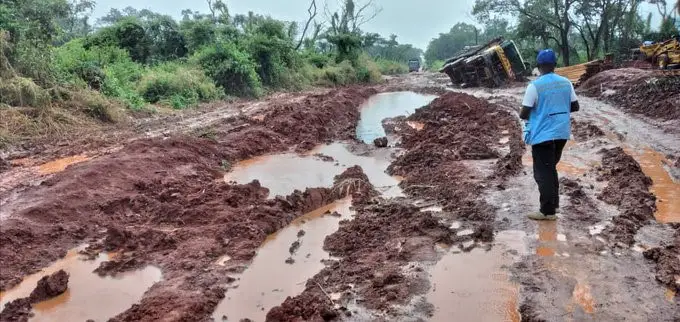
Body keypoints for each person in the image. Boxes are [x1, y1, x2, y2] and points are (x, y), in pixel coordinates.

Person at [520, 49, 580, 221]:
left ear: (538, 66)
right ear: (555, 65)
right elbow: (575, 106)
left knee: (542, 173)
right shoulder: (566, 83)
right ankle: (553, 205)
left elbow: (524, 113)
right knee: (550, 168)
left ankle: (547, 212)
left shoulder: (535, 86)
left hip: (542, 135)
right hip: (561, 133)